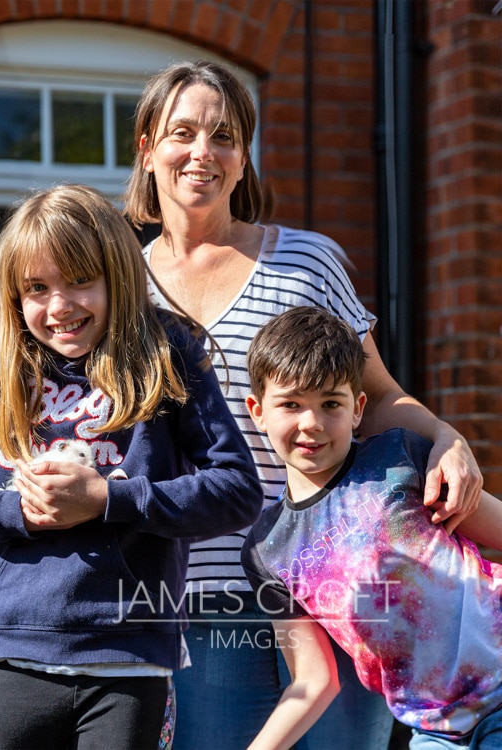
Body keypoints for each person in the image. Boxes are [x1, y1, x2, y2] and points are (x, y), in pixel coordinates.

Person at [124, 59, 485, 749]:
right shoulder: (121, 293)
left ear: (243, 156)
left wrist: (446, 437)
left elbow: (377, 397)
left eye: (225, 135)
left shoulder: (305, 263)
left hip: (337, 592)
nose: (204, 151)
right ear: (146, 149)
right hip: (198, 599)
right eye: (183, 132)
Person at [0, 184, 263, 749]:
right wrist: (12, 509)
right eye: (36, 289)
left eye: (79, 280)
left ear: (117, 273)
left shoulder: (167, 350)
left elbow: (236, 490)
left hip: (130, 658)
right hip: (9, 653)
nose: (59, 306)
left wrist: (111, 500)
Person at [239, 306, 502, 750]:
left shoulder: (402, 460)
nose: (312, 423)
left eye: (330, 403)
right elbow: (314, 681)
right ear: (258, 411)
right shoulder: (268, 551)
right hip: (437, 731)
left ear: (358, 408)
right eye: (290, 404)